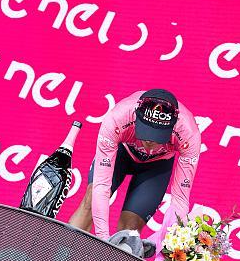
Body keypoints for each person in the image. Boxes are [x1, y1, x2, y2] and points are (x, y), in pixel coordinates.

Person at [69, 89, 201, 247]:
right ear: (136, 116)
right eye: (145, 132)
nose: (149, 142)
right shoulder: (118, 117)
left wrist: (177, 244)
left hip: (157, 165)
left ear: (173, 125)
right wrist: (104, 239)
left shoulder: (188, 133)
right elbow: (102, 186)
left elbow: (180, 199)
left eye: (157, 136)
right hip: (122, 153)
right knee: (90, 201)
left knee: (130, 230)